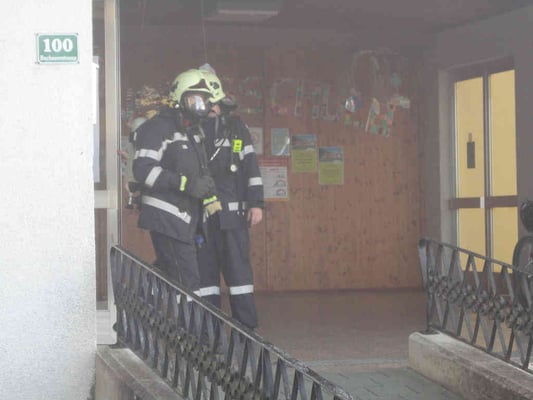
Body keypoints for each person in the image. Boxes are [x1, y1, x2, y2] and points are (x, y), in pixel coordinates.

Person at [132, 68, 222, 294]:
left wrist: (208, 195)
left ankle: (139, 305)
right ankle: (187, 320)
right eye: (196, 100)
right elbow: (143, 170)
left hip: (187, 218)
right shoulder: (158, 127)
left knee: (168, 274)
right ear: (179, 98)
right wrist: (185, 184)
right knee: (187, 282)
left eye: (205, 101)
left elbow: (199, 172)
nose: (202, 106)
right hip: (167, 216)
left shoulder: (193, 131)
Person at [196, 69, 264, 329]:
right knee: (205, 277)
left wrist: (256, 203)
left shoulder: (235, 128)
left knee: (239, 275)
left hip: (232, 218)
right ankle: (207, 331)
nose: (209, 107)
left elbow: (250, 167)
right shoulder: (192, 128)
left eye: (212, 101)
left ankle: (246, 330)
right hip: (203, 218)